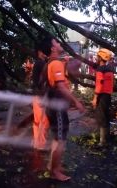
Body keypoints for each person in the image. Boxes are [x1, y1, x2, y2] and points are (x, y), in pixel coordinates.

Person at [40, 36, 85, 181]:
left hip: (53, 104)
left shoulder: (51, 63)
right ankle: (54, 172)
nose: (59, 44)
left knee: (57, 138)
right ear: (53, 48)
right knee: (61, 141)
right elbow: (60, 86)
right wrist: (76, 102)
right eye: (57, 43)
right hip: (57, 105)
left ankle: (53, 166)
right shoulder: (56, 64)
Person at [91, 48, 114, 147]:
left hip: (101, 95)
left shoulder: (100, 70)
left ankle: (102, 141)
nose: (96, 57)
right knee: (106, 115)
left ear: (100, 58)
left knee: (101, 116)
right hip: (108, 95)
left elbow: (99, 85)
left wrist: (95, 98)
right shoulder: (110, 69)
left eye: (97, 56)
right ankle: (107, 138)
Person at [31, 47, 50, 150]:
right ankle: (40, 144)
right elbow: (42, 82)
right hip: (40, 96)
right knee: (43, 120)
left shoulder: (40, 63)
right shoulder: (40, 64)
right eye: (44, 51)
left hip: (38, 95)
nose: (46, 54)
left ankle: (37, 142)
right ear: (39, 52)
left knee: (39, 120)